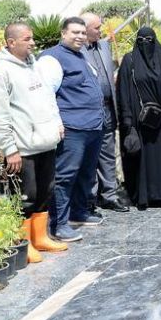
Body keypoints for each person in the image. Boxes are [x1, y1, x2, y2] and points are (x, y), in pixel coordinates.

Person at [0, 23, 66, 261]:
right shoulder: (0, 72)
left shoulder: (35, 66)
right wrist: (10, 149)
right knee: (25, 197)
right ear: (11, 42)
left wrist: (57, 122)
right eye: (27, 39)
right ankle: (24, 244)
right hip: (23, 149)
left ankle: (40, 238)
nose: (33, 43)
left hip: (45, 142)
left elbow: (48, 99)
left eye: (32, 38)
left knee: (45, 192)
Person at [37, 17, 107, 241]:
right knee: (65, 176)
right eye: (75, 32)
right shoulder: (52, 57)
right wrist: (56, 122)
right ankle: (59, 224)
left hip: (93, 127)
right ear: (63, 33)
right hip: (72, 128)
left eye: (83, 33)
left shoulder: (80, 55)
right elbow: (46, 94)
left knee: (86, 173)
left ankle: (78, 212)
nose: (80, 36)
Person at [116, 27, 161, 209]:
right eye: (141, 40)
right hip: (139, 119)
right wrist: (127, 119)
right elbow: (123, 92)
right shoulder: (129, 61)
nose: (145, 43)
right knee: (141, 158)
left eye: (149, 40)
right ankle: (143, 195)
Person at [79, 13, 127, 214]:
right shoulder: (76, 50)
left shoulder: (104, 46)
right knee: (89, 156)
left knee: (108, 154)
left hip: (108, 108)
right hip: (87, 112)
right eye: (97, 28)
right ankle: (90, 198)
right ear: (85, 29)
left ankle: (110, 195)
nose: (101, 31)